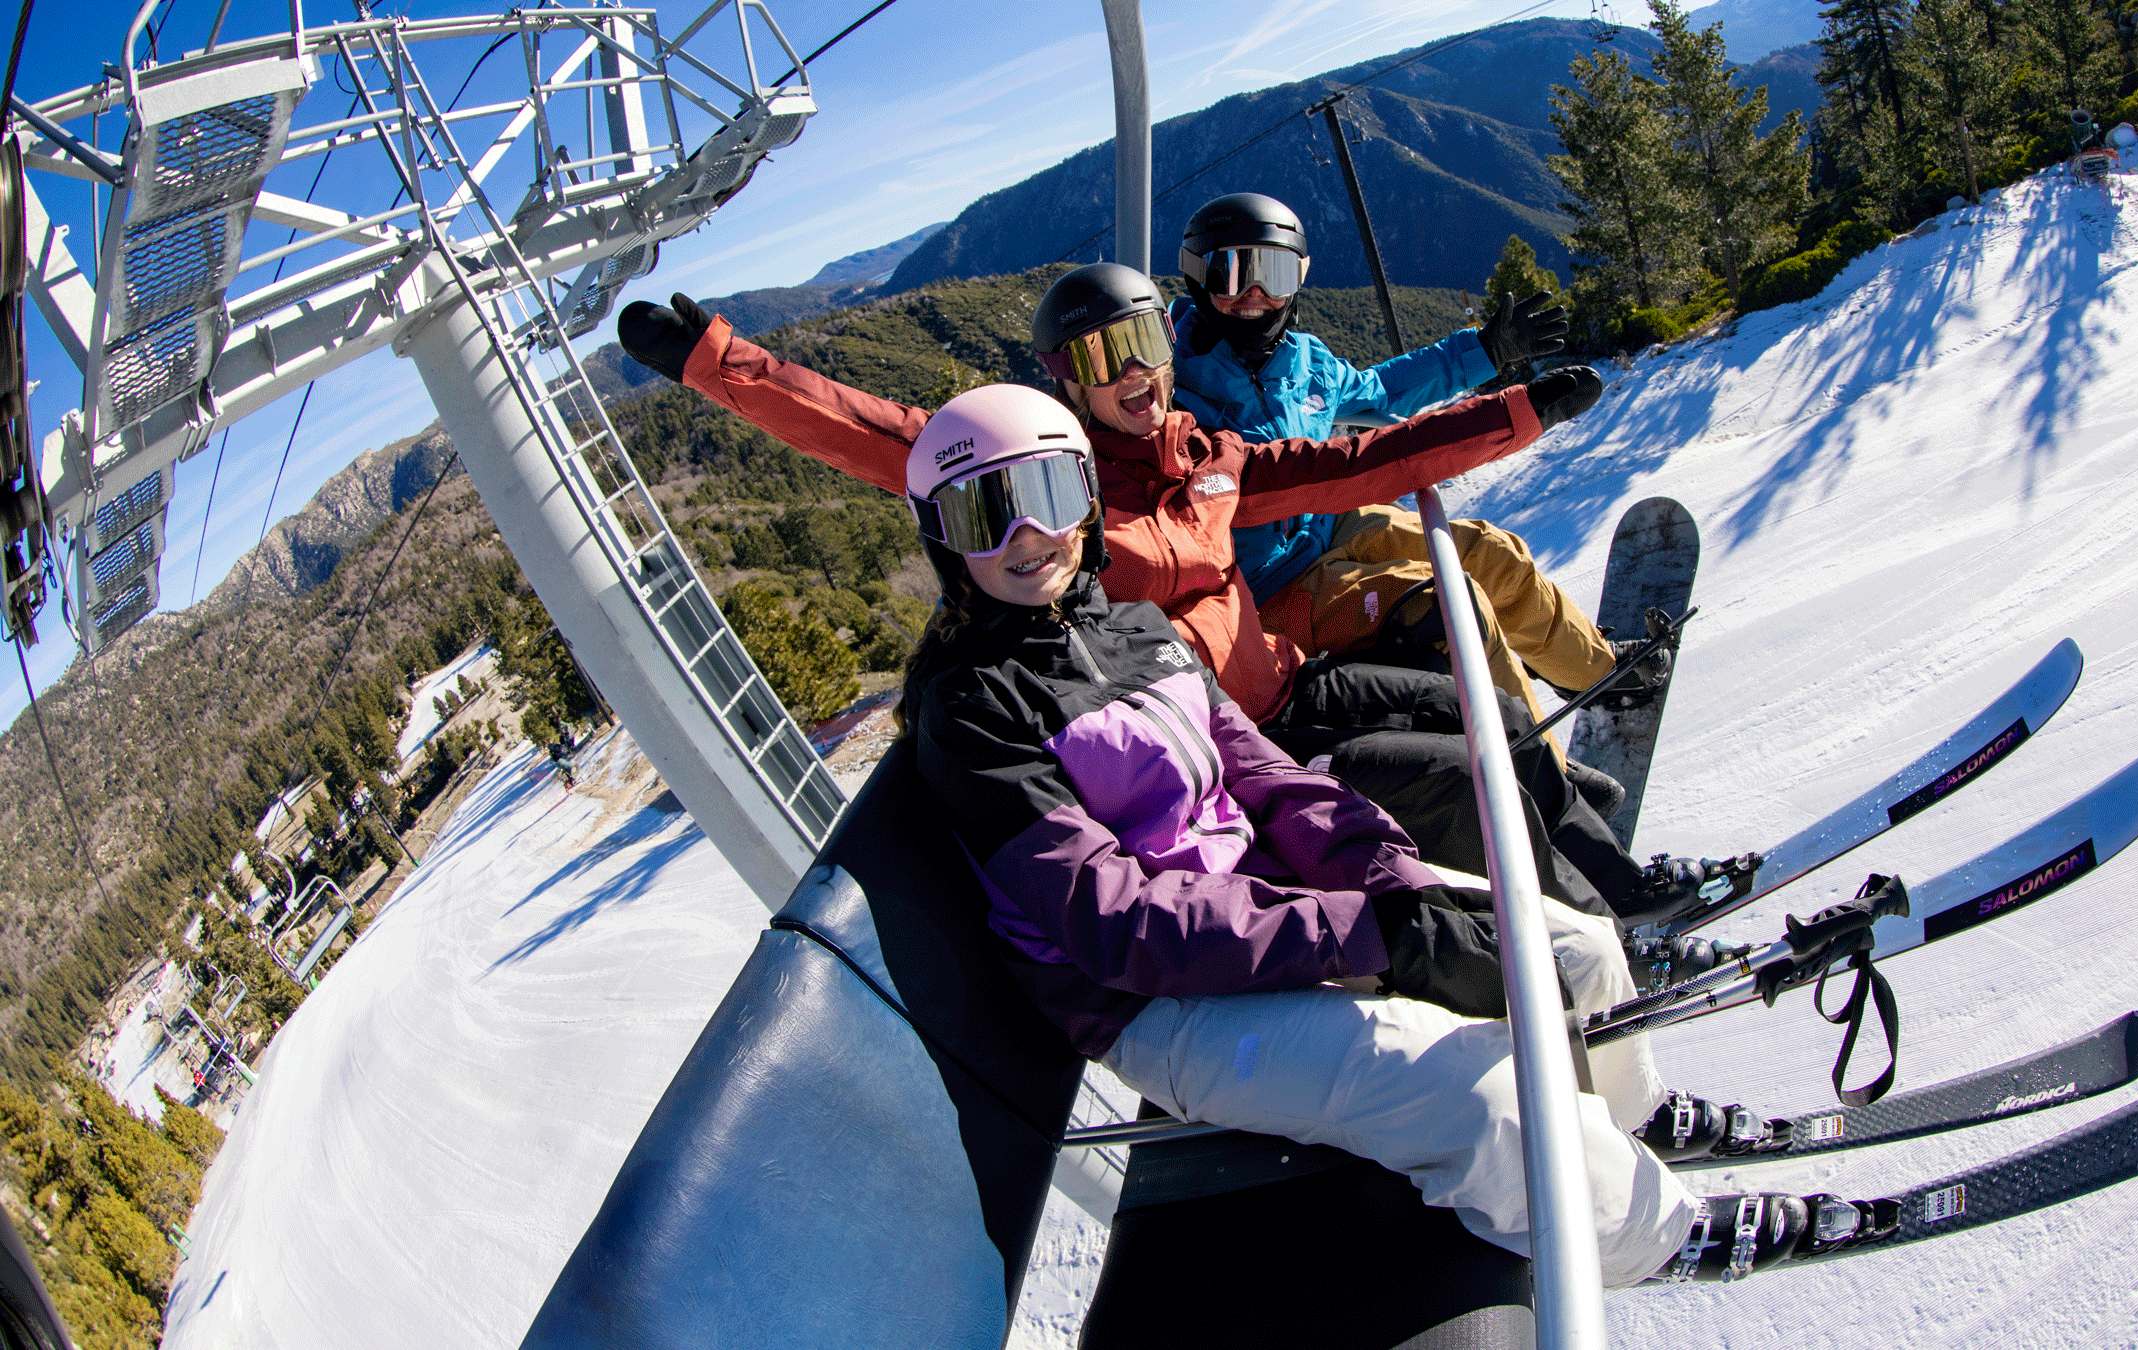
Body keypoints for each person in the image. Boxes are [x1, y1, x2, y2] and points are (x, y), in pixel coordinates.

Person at [892, 382, 1896, 1286]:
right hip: (1159, 1008)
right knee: (1480, 1088)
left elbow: (1269, 776)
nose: (1029, 537)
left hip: (1276, 912)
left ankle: (1636, 1121)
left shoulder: (1135, 629)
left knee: (1580, 952)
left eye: (1052, 496)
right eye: (988, 512)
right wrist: (1371, 933)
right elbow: (1115, 922)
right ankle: (1664, 1236)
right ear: (944, 539)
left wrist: (1395, 882)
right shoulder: (972, 714)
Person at [619, 265, 1686, 925]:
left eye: (1144, 341)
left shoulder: (1213, 459)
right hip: (1230, 749)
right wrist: (720, 363)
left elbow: (1362, 456)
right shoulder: (1053, 481)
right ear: (1066, 379)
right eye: (1100, 355)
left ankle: (1609, 878)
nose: (1132, 370)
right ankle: (1585, 927)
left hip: (1288, 689)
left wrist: (1516, 411)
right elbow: (880, 433)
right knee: (1453, 781)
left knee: (1488, 712)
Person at [1171, 193, 1669, 750]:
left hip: (1329, 528)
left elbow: (1382, 392)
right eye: (1233, 273)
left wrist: (1484, 350)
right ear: (1197, 276)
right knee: (1455, 606)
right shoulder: (1166, 384)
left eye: (1276, 273)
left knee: (1490, 553)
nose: (1255, 297)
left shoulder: (1303, 360)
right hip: (1262, 589)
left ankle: (1597, 674)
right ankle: (1540, 779)